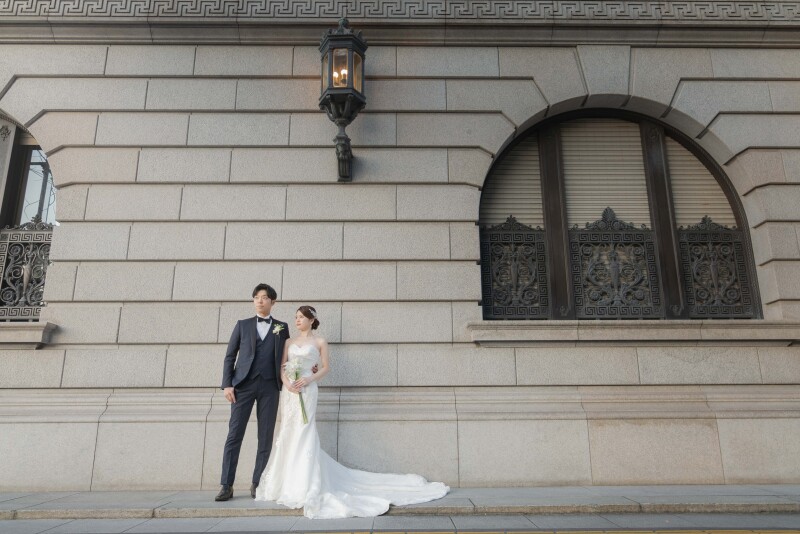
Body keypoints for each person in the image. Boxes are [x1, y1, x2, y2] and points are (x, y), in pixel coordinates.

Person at [255, 305, 449, 518]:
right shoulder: (288, 342)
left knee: (305, 429)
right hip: (290, 392)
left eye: (301, 317)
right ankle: (285, 482)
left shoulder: (319, 342)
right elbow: (282, 366)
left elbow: (326, 367)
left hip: (308, 390)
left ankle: (305, 483)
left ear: (311, 320)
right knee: (288, 431)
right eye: (296, 317)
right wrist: (288, 383)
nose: (297, 320)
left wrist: (309, 378)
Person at [216, 283, 290, 502]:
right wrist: (227, 384)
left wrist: (309, 366)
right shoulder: (242, 325)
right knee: (234, 435)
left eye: (265, 297)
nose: (260, 300)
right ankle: (226, 485)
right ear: (253, 300)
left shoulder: (282, 327)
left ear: (273, 302)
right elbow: (230, 356)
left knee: (265, 437)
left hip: (270, 386)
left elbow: (289, 355)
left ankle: (258, 483)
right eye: (256, 297)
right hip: (243, 386)